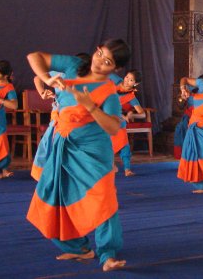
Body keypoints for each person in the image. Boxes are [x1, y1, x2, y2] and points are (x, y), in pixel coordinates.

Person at [25, 39, 130, 272]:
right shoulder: (74, 65)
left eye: (108, 62)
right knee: (50, 197)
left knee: (103, 200)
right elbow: (35, 56)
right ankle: (79, 248)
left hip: (93, 151)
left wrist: (90, 106)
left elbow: (113, 127)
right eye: (100, 54)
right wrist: (46, 78)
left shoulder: (109, 91)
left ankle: (108, 254)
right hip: (64, 145)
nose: (99, 62)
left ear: (116, 68)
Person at [31, 53, 91, 181]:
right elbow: (38, 78)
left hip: (81, 121)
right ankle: (50, 176)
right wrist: (42, 92)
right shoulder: (61, 75)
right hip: (61, 119)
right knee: (51, 146)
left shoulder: (92, 80)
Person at [113, 69, 145, 177]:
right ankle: (110, 165)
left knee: (124, 145)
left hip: (118, 121)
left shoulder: (131, 97)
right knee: (106, 145)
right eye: (127, 77)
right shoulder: (116, 81)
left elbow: (142, 113)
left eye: (131, 80)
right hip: (105, 117)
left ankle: (127, 169)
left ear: (135, 84)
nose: (127, 80)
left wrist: (131, 114)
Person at [174, 74, 203, 160]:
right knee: (181, 128)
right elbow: (180, 104)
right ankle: (184, 155)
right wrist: (182, 97)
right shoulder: (189, 90)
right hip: (189, 117)